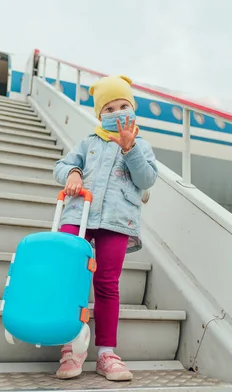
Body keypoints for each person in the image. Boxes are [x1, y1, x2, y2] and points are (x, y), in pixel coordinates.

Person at [53, 75, 158, 381]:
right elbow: (60, 166)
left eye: (124, 105)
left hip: (116, 220)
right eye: (109, 108)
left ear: (133, 109)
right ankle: (71, 348)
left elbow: (147, 180)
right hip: (79, 215)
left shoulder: (142, 146)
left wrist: (130, 149)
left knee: (107, 283)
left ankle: (106, 354)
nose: (118, 112)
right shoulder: (88, 143)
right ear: (100, 115)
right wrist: (73, 172)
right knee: (70, 275)